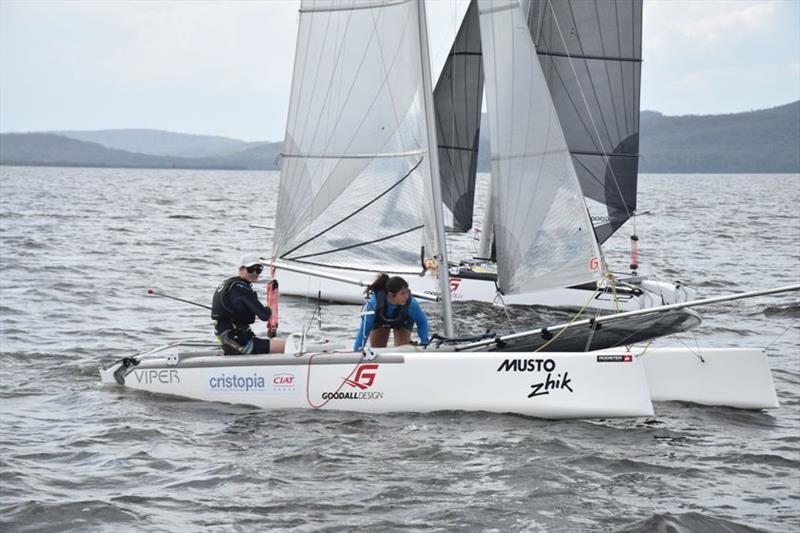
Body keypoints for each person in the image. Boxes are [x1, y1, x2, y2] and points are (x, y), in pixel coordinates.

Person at [211, 254, 286, 355]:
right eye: (251, 269)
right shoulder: (241, 288)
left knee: (275, 343)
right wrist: (270, 308)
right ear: (241, 269)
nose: (255, 273)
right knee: (284, 346)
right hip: (240, 344)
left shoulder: (228, 284)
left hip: (228, 342)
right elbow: (264, 315)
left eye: (258, 270)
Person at [354, 274, 429, 351]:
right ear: (391, 294)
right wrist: (357, 351)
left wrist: (425, 342)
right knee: (378, 350)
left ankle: (408, 346)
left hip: (403, 321)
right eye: (402, 293)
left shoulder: (411, 303)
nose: (406, 296)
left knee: (402, 350)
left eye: (407, 292)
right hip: (380, 321)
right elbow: (364, 330)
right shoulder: (373, 304)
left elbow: (422, 322)